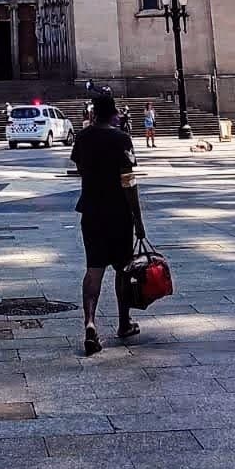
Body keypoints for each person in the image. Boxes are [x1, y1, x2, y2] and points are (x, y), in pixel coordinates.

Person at [70, 91, 145, 357]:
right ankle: (123, 323)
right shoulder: (121, 138)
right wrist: (138, 218)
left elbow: (79, 168)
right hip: (118, 213)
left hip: (91, 211)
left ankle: (90, 323)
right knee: (123, 270)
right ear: (114, 113)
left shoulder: (83, 137)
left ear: (92, 113)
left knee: (93, 269)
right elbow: (129, 181)